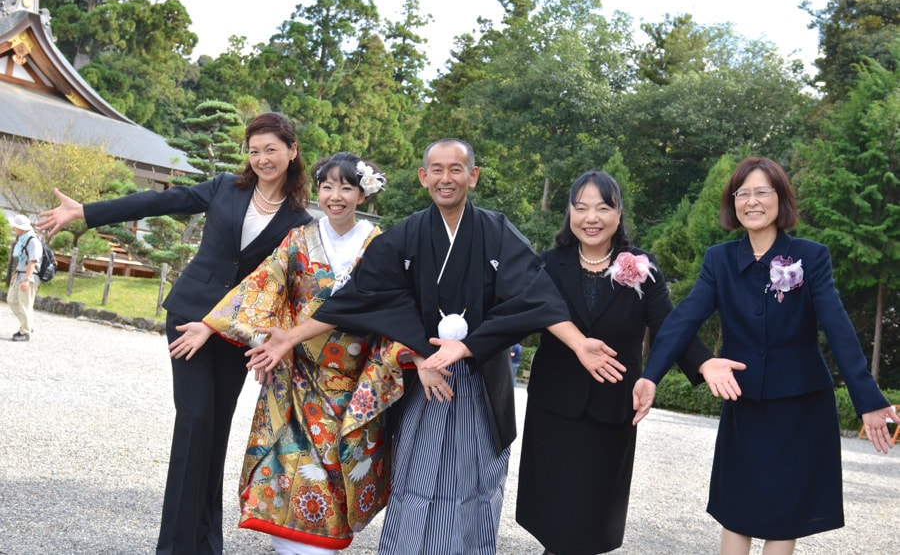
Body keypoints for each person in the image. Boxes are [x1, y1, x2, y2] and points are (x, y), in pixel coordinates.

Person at [243, 138, 625, 554]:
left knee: (474, 481)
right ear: (424, 177)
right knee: (414, 480)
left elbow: (537, 295)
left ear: (472, 176)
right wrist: (293, 336)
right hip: (424, 376)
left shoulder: (497, 232)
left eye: (456, 169)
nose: (447, 178)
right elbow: (362, 296)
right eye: (437, 170)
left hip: (478, 377)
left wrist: (578, 343)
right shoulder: (408, 234)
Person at [37, 112, 313, 554]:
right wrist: (85, 211)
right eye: (254, 150)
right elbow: (156, 203)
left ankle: (205, 544)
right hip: (188, 320)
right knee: (195, 420)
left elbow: (286, 288)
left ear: (292, 151)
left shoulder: (300, 221)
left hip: (236, 332)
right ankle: (175, 546)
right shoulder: (226, 186)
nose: (261, 158)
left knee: (216, 430)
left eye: (271, 150)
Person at [633, 157, 897, 555]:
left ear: (780, 199)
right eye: (743, 193)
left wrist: (868, 400)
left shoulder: (811, 256)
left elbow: (838, 328)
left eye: (762, 192)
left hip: (800, 405)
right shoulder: (718, 259)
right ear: (732, 202)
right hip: (745, 403)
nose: (752, 201)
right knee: (736, 509)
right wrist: (651, 375)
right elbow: (683, 319)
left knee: (783, 516)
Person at [168, 153, 422, 554]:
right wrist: (212, 323)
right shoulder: (300, 238)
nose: (335, 196)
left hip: (353, 381)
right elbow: (263, 283)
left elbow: (397, 303)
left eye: (346, 187)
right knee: (290, 464)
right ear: (317, 191)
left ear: (363, 194)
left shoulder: (380, 245)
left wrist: (412, 354)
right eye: (327, 187)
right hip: (299, 374)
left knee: (339, 470)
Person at [515, 171, 714, 554]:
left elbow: (667, 326)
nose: (592, 218)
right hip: (554, 406)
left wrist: (705, 363)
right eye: (582, 207)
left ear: (619, 214)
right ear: (569, 213)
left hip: (611, 407)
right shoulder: (548, 264)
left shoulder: (642, 265)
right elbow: (518, 316)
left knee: (592, 516)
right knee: (554, 513)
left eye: (603, 208)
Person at [8, 214, 43, 342]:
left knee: (25, 304)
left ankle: (25, 332)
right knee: (11, 300)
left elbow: (33, 261)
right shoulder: (24, 239)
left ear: (21, 228)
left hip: (29, 276)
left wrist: (26, 280)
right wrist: (15, 275)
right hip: (20, 274)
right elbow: (23, 260)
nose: (13, 229)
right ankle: (27, 324)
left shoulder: (33, 240)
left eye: (15, 227)